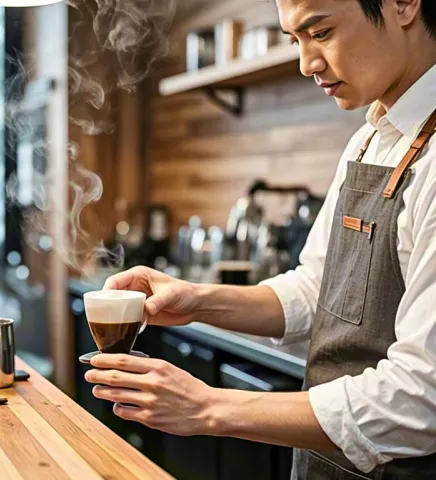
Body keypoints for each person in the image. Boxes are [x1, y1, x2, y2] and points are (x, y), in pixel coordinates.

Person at [83, 0, 436, 478]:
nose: (306, 63)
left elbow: (422, 397)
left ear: (403, 4)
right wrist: (198, 300)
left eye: (322, 31)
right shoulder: (371, 140)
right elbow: (320, 290)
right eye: (295, 40)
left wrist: (208, 408)